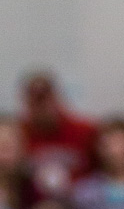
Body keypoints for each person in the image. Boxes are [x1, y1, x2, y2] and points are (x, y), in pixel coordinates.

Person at [19, 72, 98, 201]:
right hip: (33, 203)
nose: (42, 107)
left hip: (80, 201)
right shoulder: (19, 133)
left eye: (45, 98)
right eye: (36, 100)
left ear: (57, 98)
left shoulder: (85, 131)